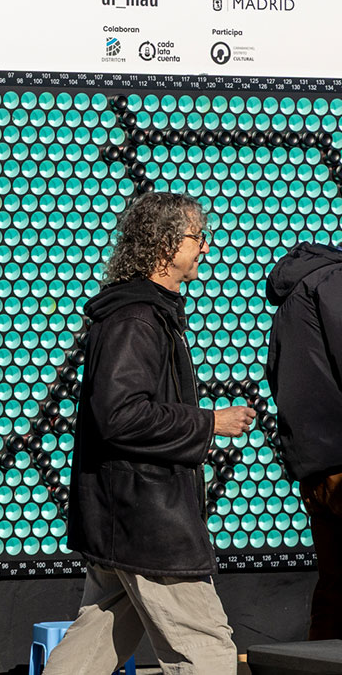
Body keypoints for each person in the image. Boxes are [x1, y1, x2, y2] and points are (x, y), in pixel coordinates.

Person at [44, 192, 255, 675]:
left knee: (93, 645)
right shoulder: (138, 318)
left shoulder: (143, 312)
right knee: (206, 652)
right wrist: (209, 422)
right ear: (164, 245)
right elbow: (119, 415)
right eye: (196, 237)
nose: (204, 247)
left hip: (125, 515)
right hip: (147, 518)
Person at [265, 242, 342, 640]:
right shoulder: (333, 281)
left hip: (314, 467)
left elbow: (275, 374)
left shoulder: (293, 298)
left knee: (334, 586)